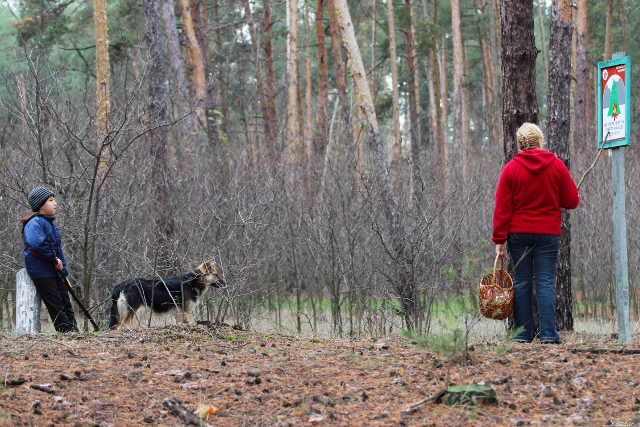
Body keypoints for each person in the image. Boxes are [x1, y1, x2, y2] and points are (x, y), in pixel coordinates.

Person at [492, 123, 579, 344]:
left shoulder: (510, 169)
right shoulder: (556, 166)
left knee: (521, 282)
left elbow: (502, 208)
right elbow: (571, 201)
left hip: (518, 234)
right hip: (548, 234)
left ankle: (523, 335)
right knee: (545, 282)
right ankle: (549, 335)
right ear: (540, 140)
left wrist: (499, 240)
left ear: (519, 143)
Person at [22, 186, 79, 333]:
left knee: (66, 301)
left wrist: (64, 273)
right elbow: (36, 244)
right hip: (42, 271)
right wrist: (54, 259)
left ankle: (74, 332)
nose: (55, 203)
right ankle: (65, 333)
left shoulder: (50, 224)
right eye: (50, 200)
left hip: (55, 270)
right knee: (55, 304)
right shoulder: (34, 223)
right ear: (40, 205)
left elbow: (58, 250)